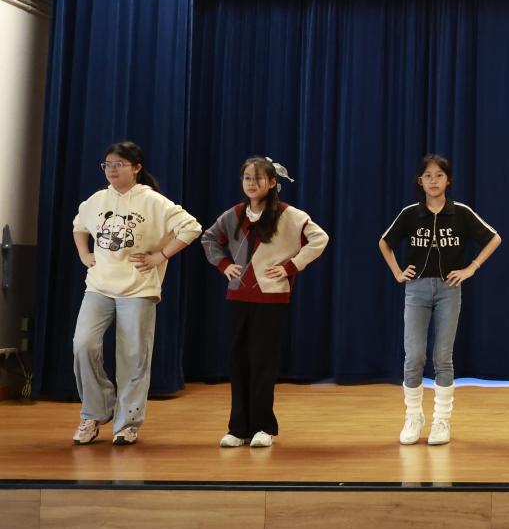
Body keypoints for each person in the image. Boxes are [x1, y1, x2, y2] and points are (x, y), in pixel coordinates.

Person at [71, 141, 201, 446]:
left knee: (133, 356)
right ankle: (95, 411)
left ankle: (127, 423)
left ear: (137, 168)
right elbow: (79, 225)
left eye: (119, 164)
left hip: (138, 289)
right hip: (99, 286)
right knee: (83, 345)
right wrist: (84, 254)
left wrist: (160, 256)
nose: (112, 170)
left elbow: (191, 227)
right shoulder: (97, 199)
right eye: (107, 164)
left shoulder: (152, 200)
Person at [202, 156, 329, 448]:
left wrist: (290, 266)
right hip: (238, 296)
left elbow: (319, 239)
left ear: (272, 182)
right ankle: (238, 428)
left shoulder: (289, 215)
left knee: (263, 361)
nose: (251, 183)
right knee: (238, 361)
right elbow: (209, 239)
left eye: (258, 178)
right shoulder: (234, 214)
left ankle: (263, 427)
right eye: (247, 178)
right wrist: (224, 265)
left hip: (271, 297)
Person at [379, 154, 501, 445]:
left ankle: (441, 420)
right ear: (420, 181)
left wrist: (471, 268)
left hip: (448, 289)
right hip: (416, 290)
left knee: (443, 357)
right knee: (414, 356)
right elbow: (385, 242)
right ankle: (413, 417)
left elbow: (494, 238)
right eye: (428, 176)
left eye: (439, 176)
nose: (433, 181)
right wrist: (397, 272)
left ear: (449, 180)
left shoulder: (460, 212)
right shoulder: (411, 213)